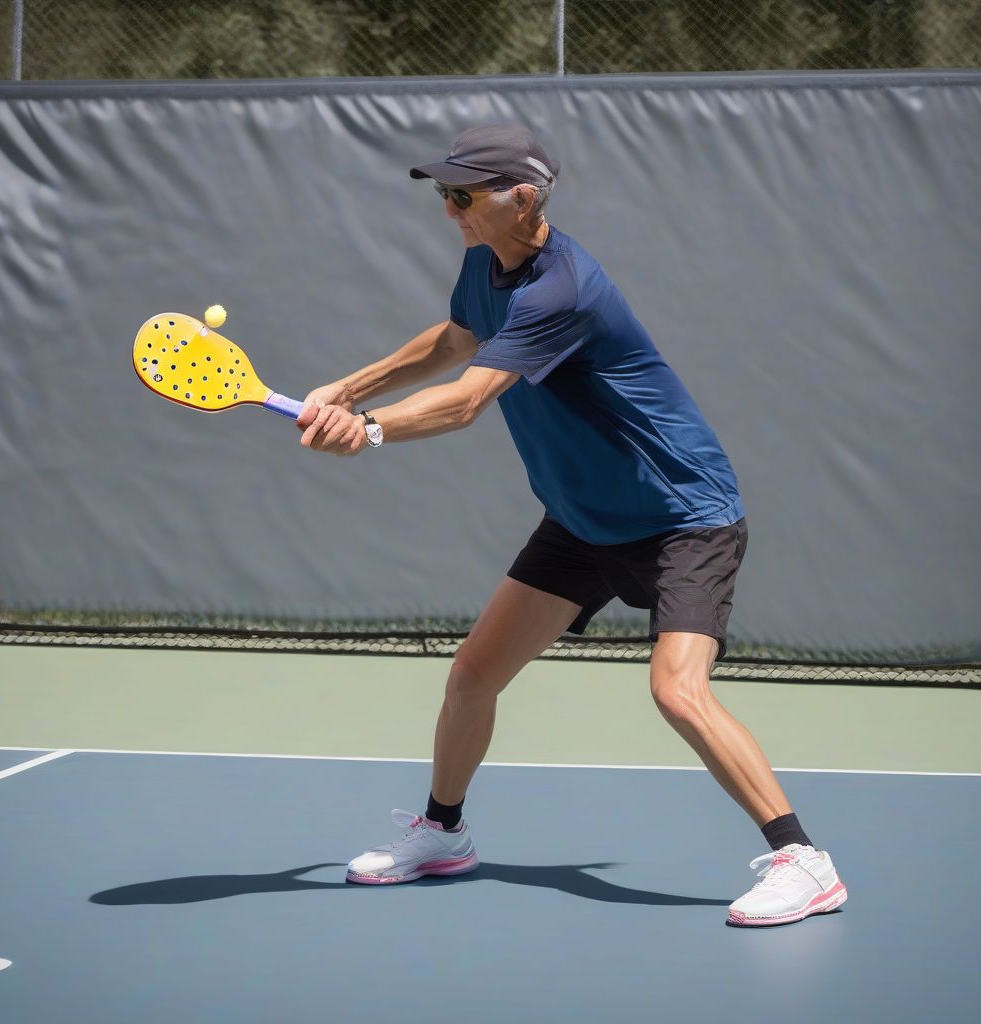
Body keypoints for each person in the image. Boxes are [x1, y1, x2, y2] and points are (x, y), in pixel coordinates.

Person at [294, 123, 847, 927]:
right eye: (443, 192)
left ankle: (805, 861)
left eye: (463, 194)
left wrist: (371, 427)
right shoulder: (487, 261)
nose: (448, 208)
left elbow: (467, 398)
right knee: (473, 676)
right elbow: (454, 339)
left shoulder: (562, 290)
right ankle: (443, 834)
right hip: (584, 518)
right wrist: (348, 387)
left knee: (677, 691)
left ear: (525, 199)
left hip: (681, 515)